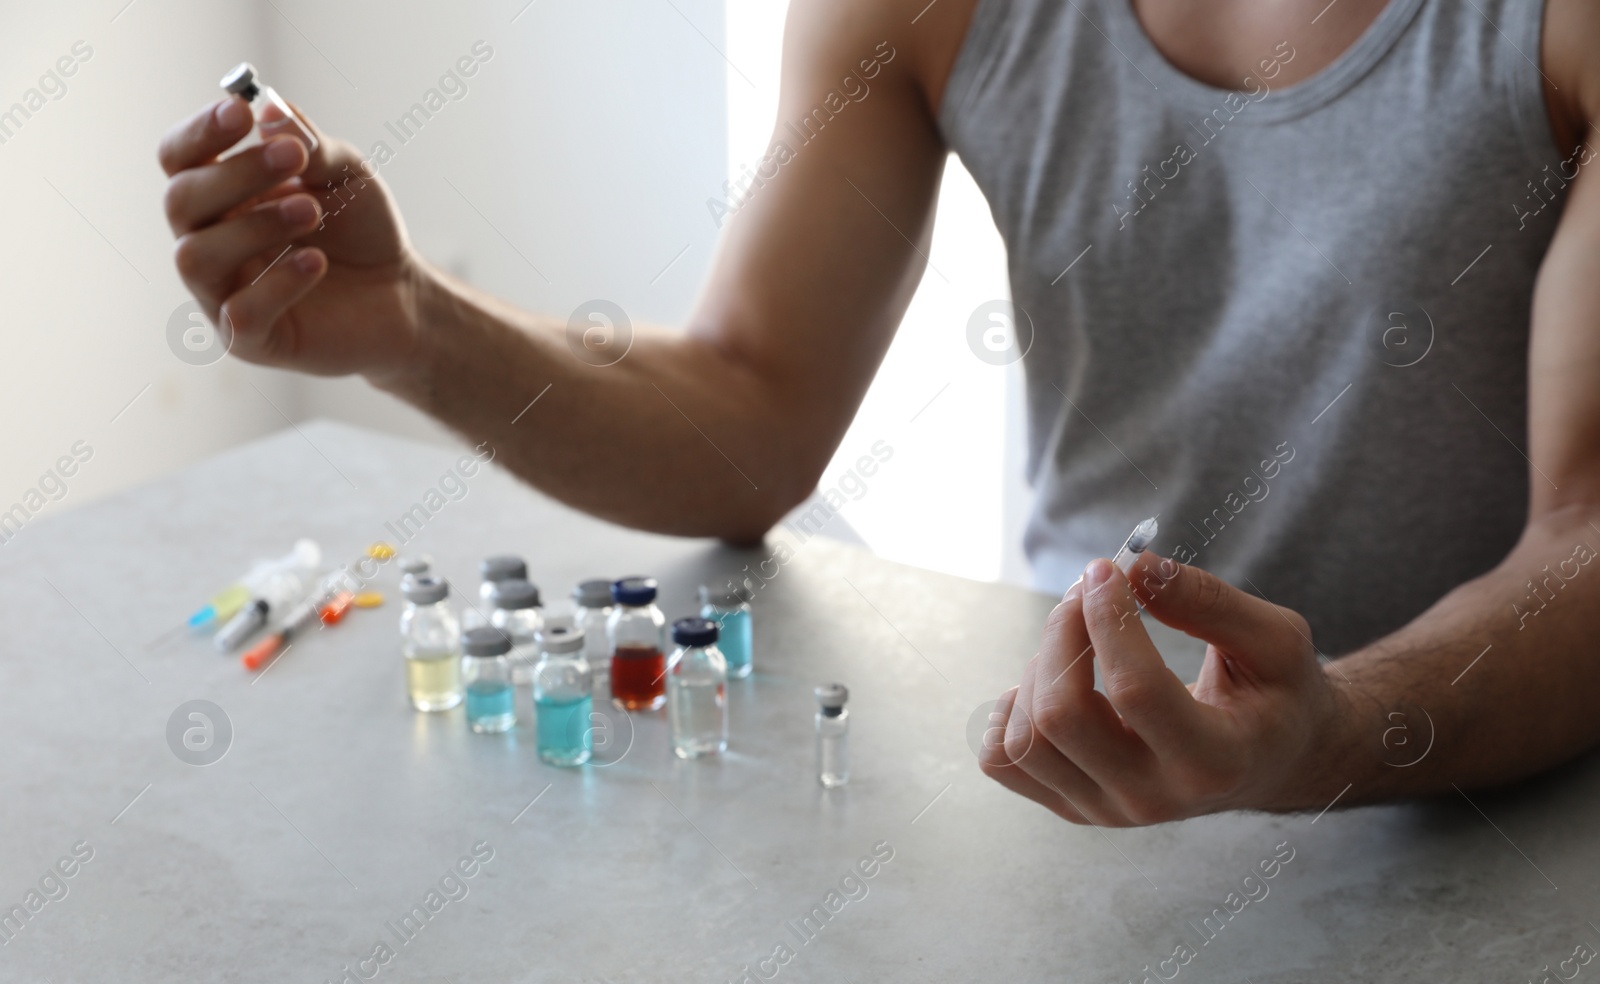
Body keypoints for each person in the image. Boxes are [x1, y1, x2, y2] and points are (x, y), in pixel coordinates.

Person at [159, 0, 1600, 826]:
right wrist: (410, 321)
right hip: (1081, 807)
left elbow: (1586, 541)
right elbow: (751, 407)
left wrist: (1338, 730)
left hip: (1490, 815)